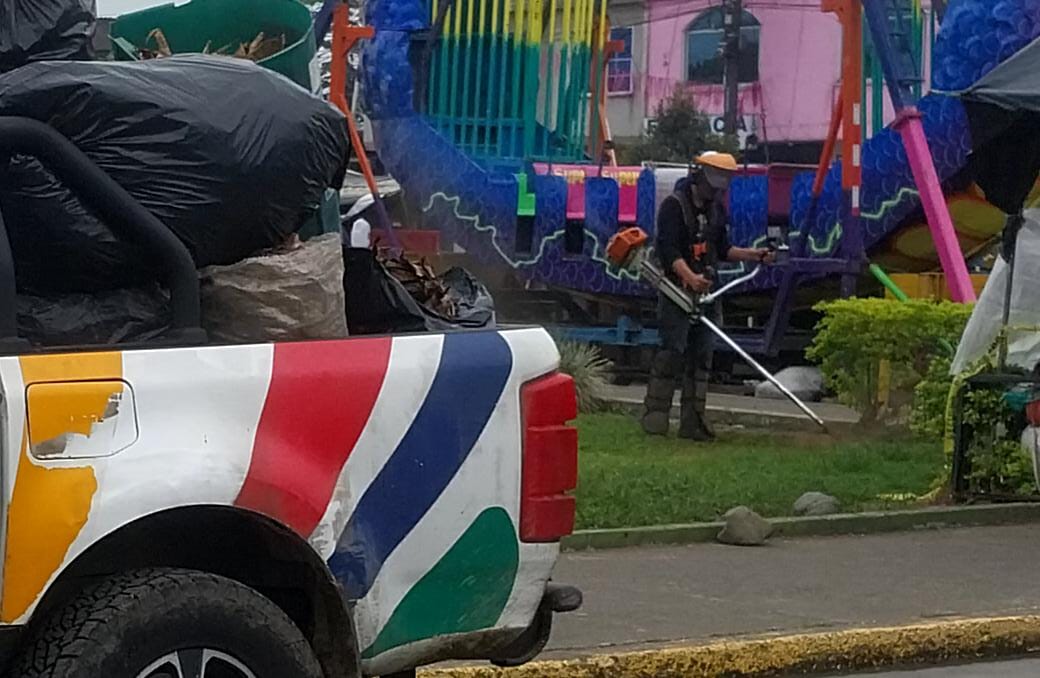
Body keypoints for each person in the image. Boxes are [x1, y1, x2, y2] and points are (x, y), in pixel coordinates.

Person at [641, 152, 774, 441]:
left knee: (701, 358)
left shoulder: (716, 210)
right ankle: (655, 419)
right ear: (697, 175)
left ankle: (693, 422)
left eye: (722, 183)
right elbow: (668, 250)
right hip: (676, 292)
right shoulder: (673, 206)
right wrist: (690, 277)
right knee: (671, 354)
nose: (716, 188)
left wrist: (754, 255)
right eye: (714, 181)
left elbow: (723, 249)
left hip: (709, 293)